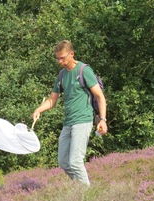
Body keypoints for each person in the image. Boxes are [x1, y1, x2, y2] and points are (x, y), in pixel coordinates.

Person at [32, 40, 107, 186]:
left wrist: (103, 119)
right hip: (68, 123)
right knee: (64, 162)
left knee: (75, 161)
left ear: (71, 54)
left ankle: (87, 194)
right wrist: (38, 109)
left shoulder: (84, 70)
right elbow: (52, 100)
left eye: (63, 58)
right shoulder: (61, 76)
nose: (60, 61)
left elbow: (100, 96)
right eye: (58, 58)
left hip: (83, 120)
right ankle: (80, 187)